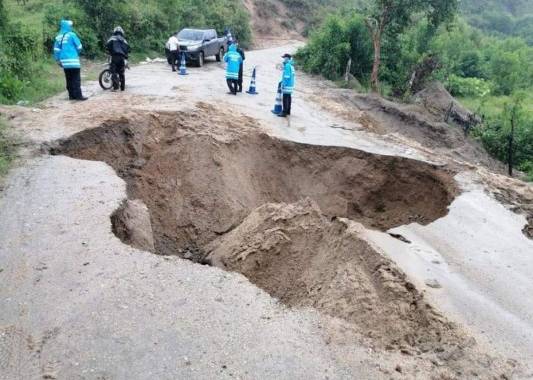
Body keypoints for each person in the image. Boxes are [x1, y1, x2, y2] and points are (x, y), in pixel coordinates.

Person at [53, 19, 87, 101]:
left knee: (69, 78)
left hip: (64, 61)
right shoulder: (72, 35)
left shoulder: (58, 37)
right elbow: (79, 47)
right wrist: (76, 53)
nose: (71, 27)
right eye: (70, 26)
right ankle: (79, 96)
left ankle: (71, 96)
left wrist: (58, 60)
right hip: (73, 61)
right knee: (76, 78)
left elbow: (56, 50)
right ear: (67, 26)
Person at [106, 26, 130, 91]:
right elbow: (128, 49)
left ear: (115, 32)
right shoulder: (124, 40)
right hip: (122, 58)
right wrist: (125, 56)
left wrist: (109, 51)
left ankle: (116, 87)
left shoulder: (112, 38)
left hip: (114, 57)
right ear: (122, 32)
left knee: (113, 71)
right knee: (121, 72)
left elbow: (107, 46)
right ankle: (122, 88)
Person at [278, 53, 295, 117]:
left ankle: (284, 112)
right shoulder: (291, 65)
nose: (283, 59)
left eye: (284, 58)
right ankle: (288, 111)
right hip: (291, 84)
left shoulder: (287, 65)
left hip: (287, 84)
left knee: (285, 98)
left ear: (287, 58)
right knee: (289, 97)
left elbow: (287, 76)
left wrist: (283, 84)